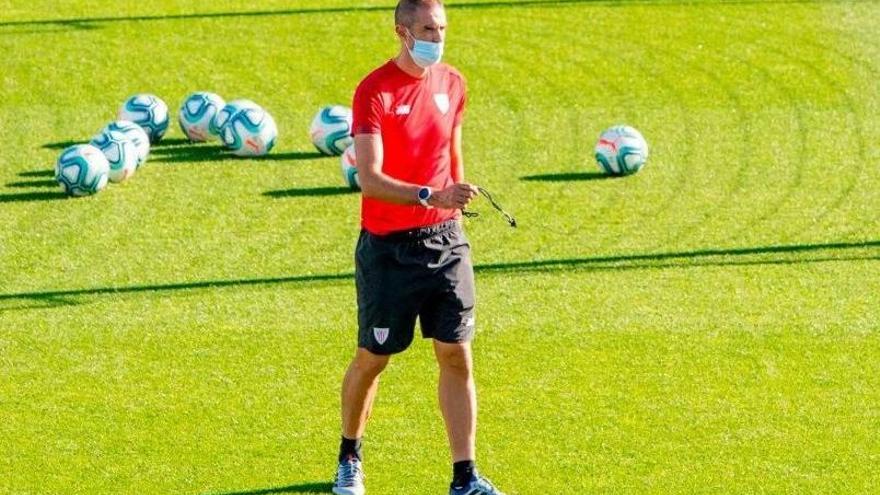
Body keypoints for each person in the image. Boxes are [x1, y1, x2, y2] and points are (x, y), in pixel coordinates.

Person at [331, 1, 505, 494]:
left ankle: (465, 477)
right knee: (373, 357)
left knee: (456, 354)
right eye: (429, 27)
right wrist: (432, 194)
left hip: (446, 241)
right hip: (389, 250)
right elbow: (370, 179)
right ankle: (349, 454)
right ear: (403, 32)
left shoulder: (453, 82)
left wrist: (458, 195)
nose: (439, 36)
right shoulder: (374, 90)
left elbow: (452, 149)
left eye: (443, 27)